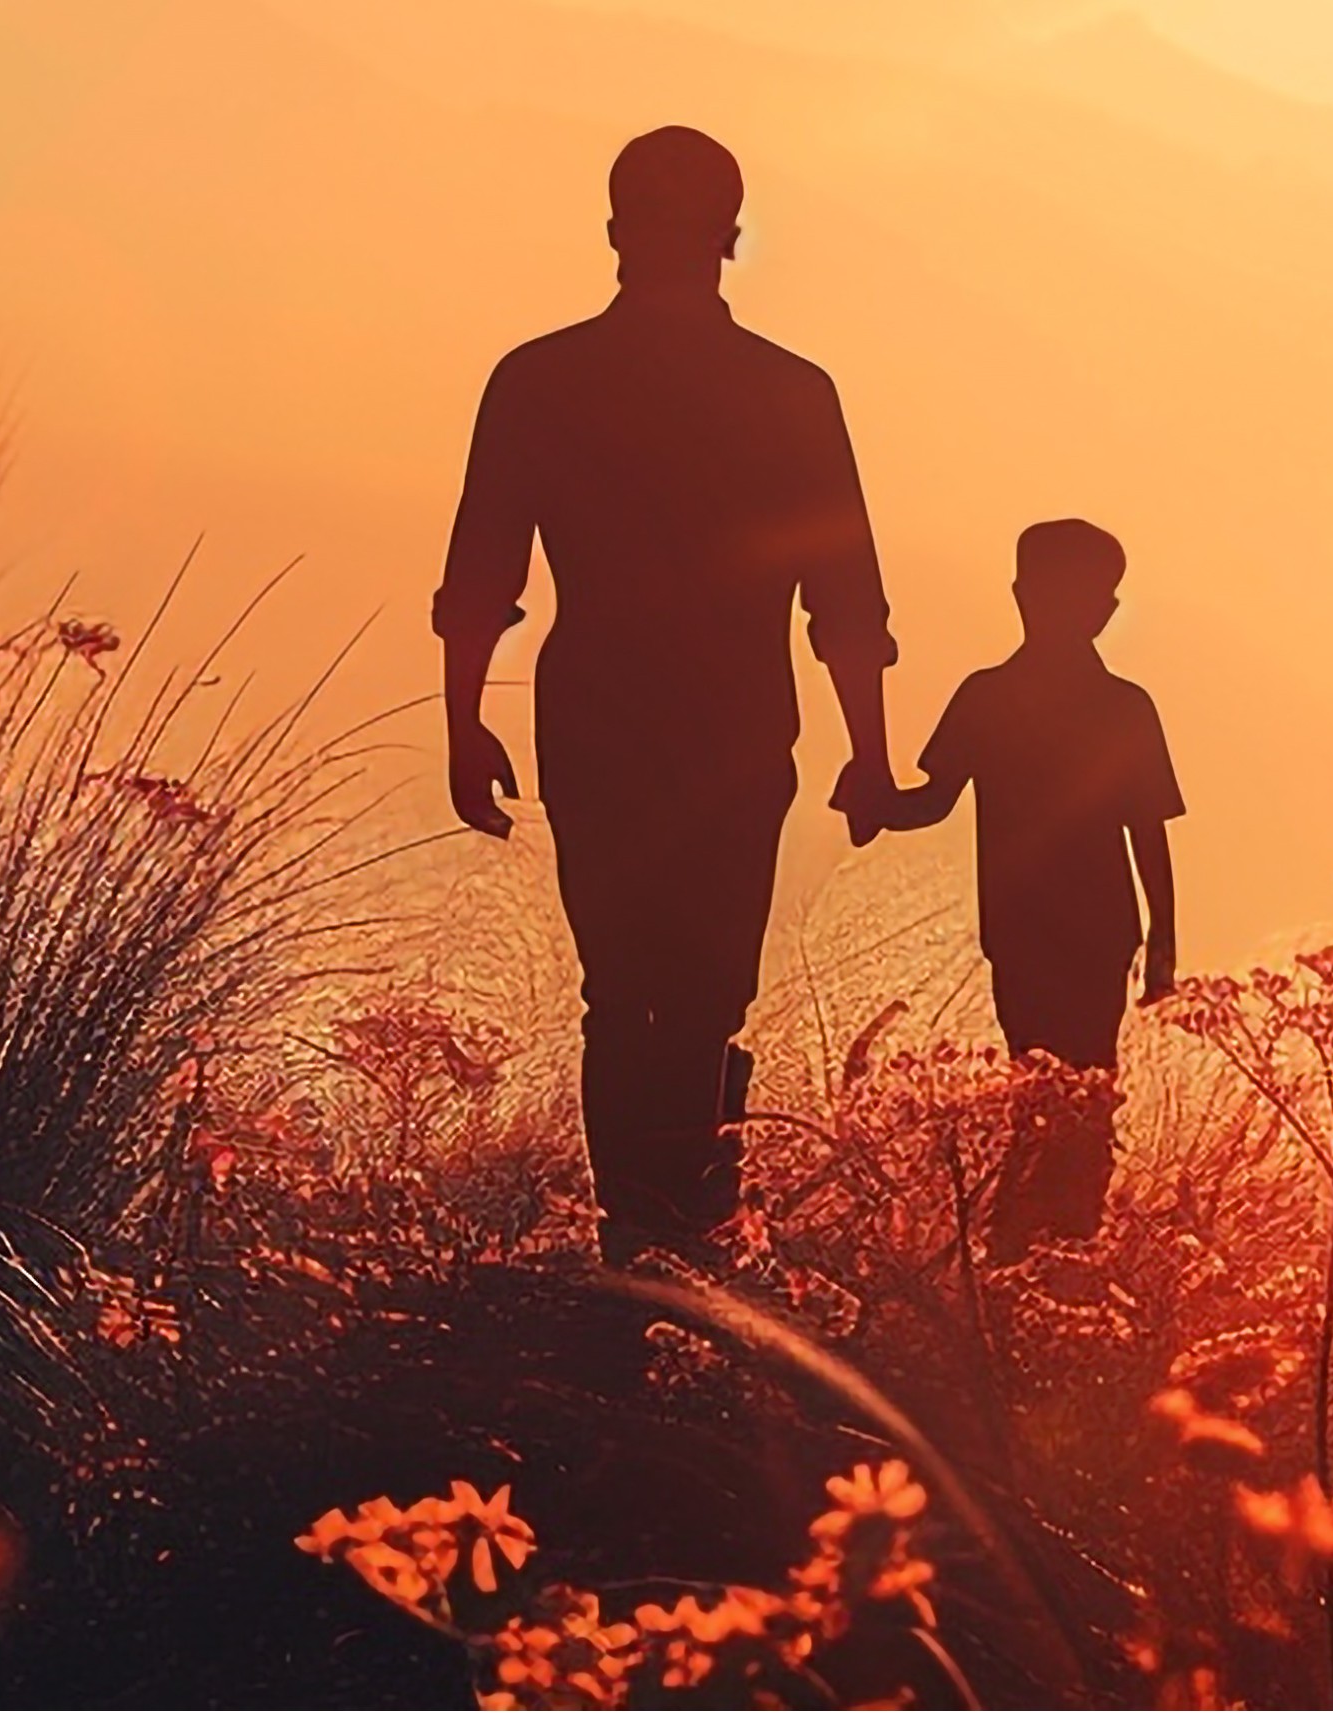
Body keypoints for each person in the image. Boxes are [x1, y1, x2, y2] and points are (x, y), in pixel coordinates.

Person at [435, 126, 902, 1261]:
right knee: (699, 1002)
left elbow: (481, 579)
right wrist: (869, 752)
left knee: (624, 994)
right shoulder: (791, 394)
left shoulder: (539, 378)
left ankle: (641, 1250)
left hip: (593, 724)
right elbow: (846, 601)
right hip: (736, 734)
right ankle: (682, 1244)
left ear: (612, 230)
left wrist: (465, 723)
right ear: (732, 239)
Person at [838, 517, 1182, 1253]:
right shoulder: (999, 698)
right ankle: (1032, 1252)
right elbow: (929, 800)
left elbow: (1147, 830)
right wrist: (875, 799)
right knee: (1049, 1094)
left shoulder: (1114, 706)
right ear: (1025, 595)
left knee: (1077, 1097)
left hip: (1082, 937)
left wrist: (1163, 945)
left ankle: (1046, 1248)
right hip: (1035, 936)